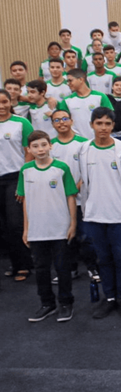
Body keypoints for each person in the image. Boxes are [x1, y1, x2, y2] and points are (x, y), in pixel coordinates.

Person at [80, 107, 121, 319]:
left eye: (108, 124)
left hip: (119, 214)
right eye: (99, 123)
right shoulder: (84, 150)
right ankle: (108, 297)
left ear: (113, 125)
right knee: (103, 258)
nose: (103, 128)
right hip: (94, 214)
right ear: (92, 125)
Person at [19, 131, 78, 322]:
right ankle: (47, 303)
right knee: (41, 269)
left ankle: (66, 303)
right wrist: (26, 229)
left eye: (43, 145)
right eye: (35, 146)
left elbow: (71, 196)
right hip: (37, 230)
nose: (40, 149)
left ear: (50, 145)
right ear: (29, 150)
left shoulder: (61, 168)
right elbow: (26, 200)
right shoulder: (26, 170)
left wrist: (73, 223)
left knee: (62, 268)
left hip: (59, 227)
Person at [0, 89, 33, 282]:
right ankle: (14, 263)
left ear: (10, 102)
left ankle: (25, 263)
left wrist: (23, 179)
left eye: (5, 101)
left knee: (15, 224)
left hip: (15, 177)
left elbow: (28, 151)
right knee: (3, 226)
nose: (2, 106)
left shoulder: (21, 123)